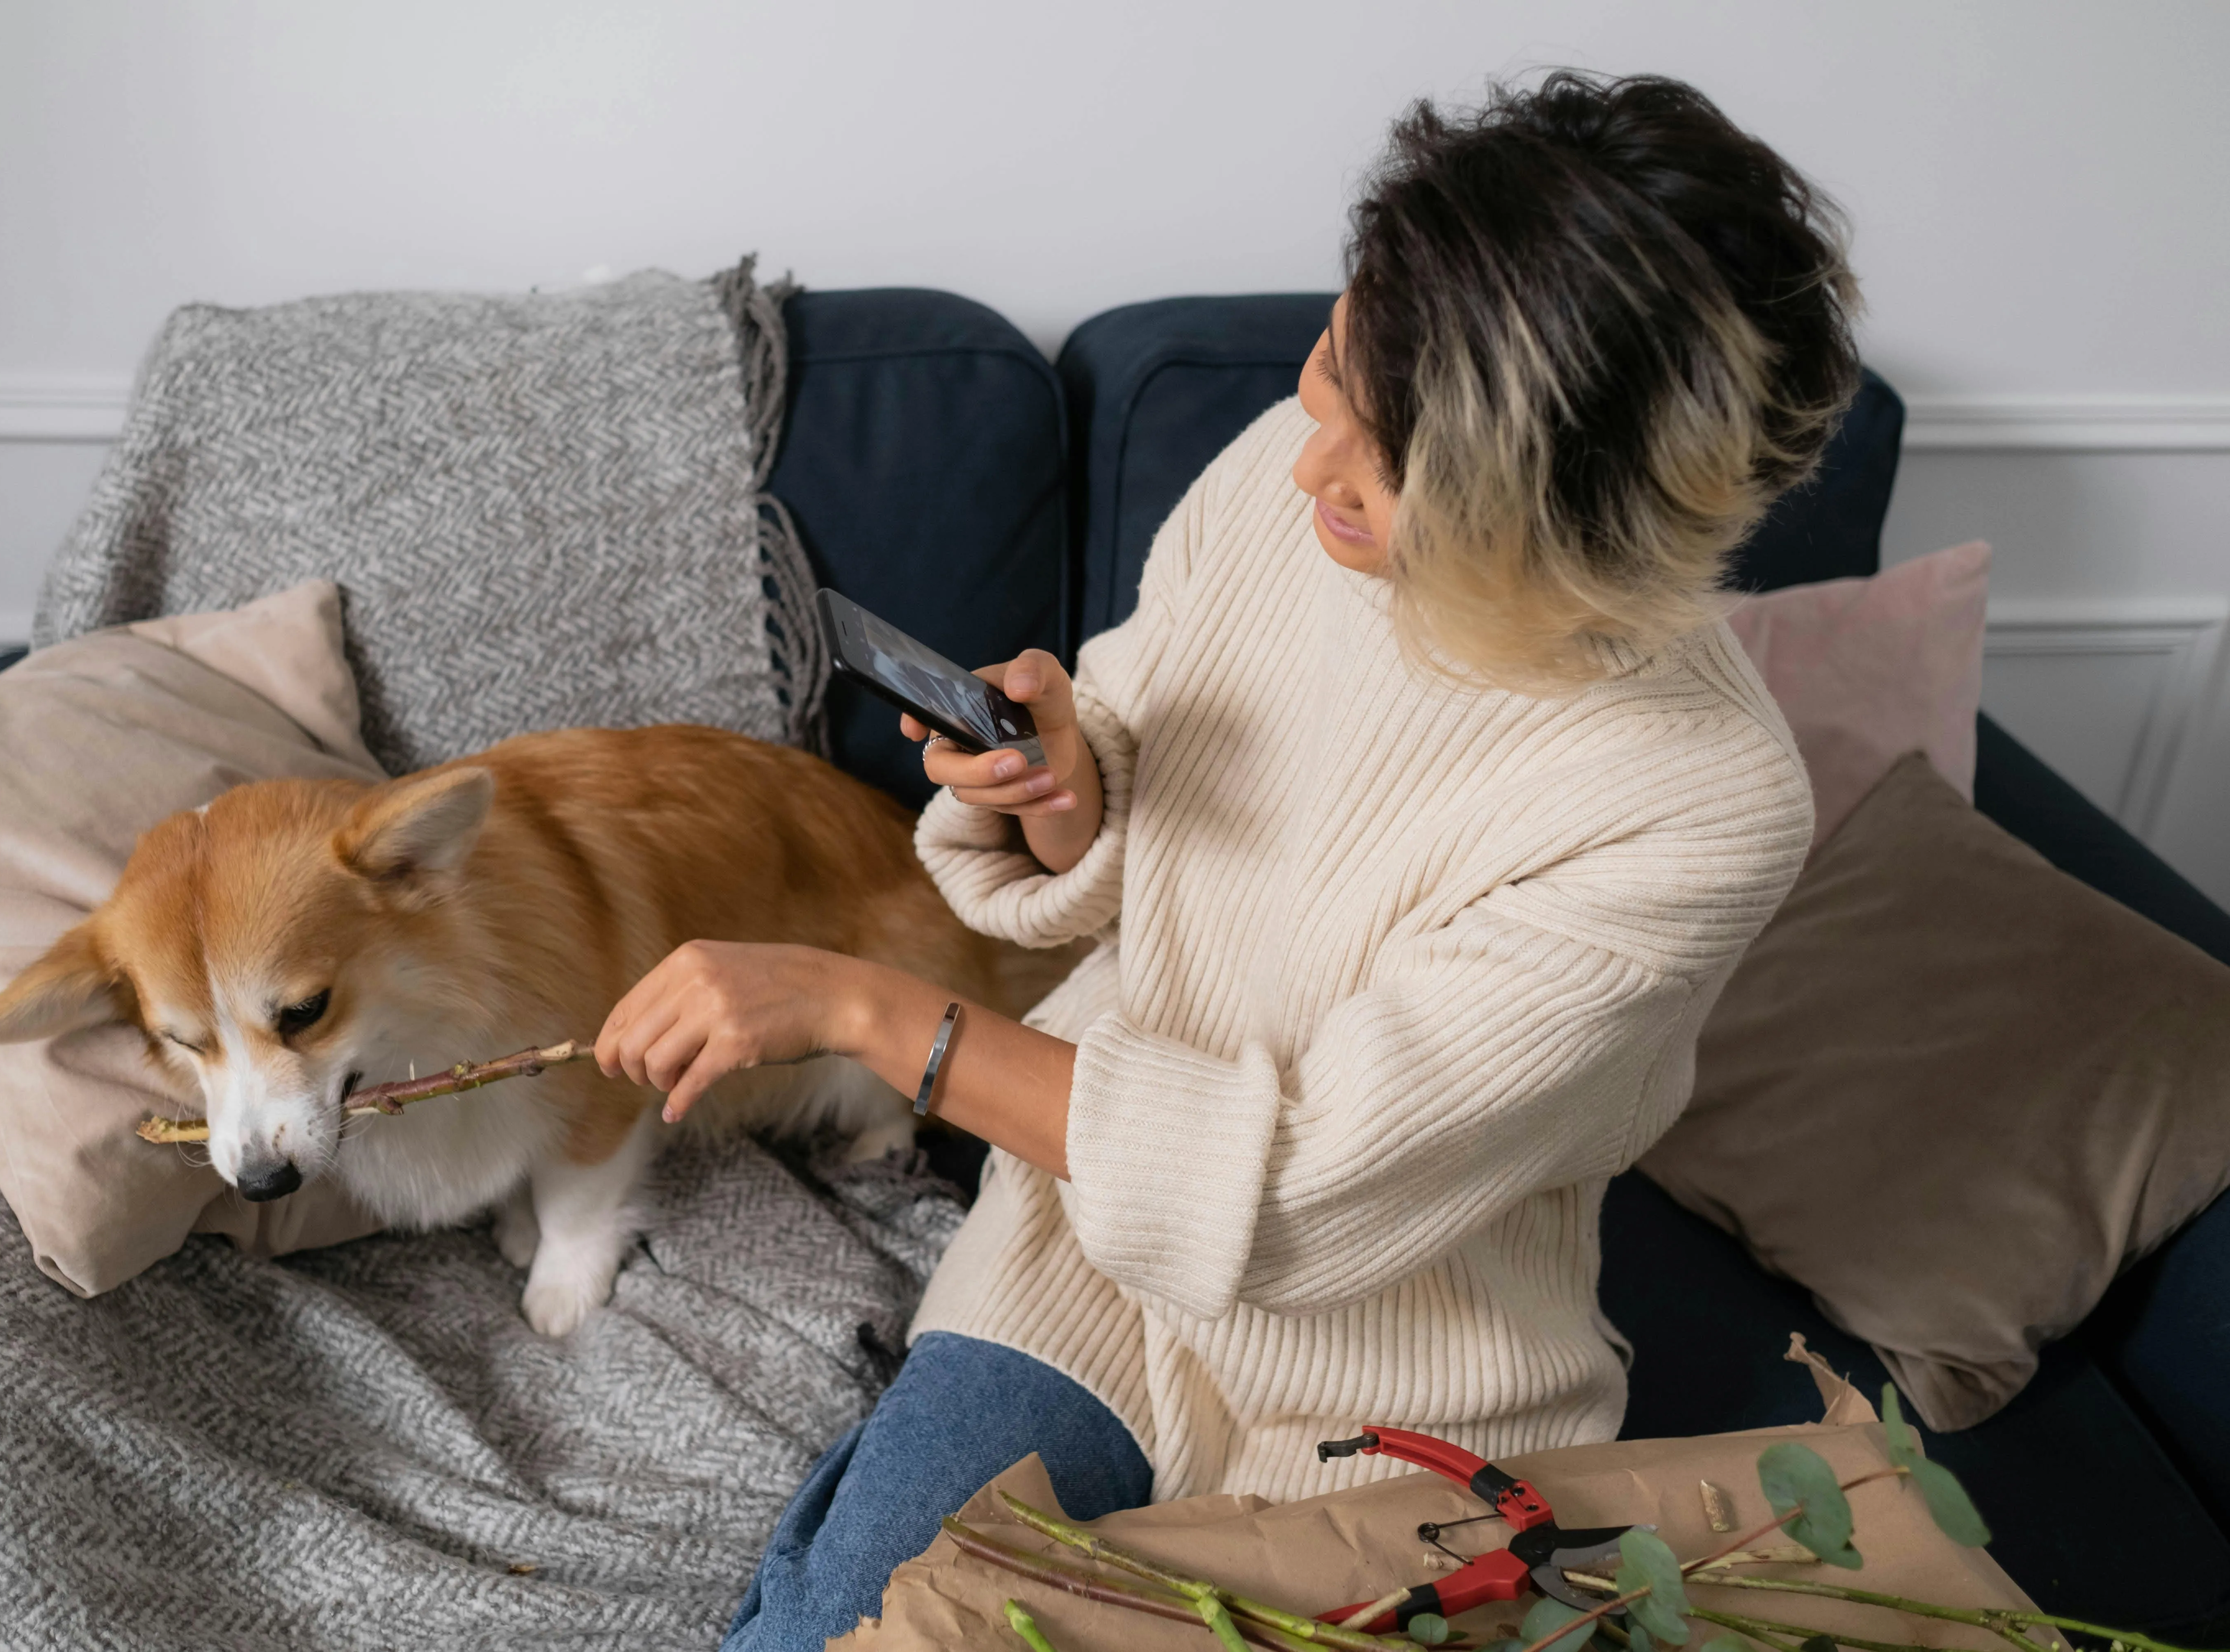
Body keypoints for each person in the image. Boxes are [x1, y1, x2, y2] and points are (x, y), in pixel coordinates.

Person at [591, 70, 1858, 1649]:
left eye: (1387, 459)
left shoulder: (1696, 804)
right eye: (1336, 361)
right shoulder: (1288, 477)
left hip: (1400, 1388)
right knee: (838, 1631)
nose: (1314, 453)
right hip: (1081, 1283)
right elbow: (1146, 739)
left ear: (1563, 525)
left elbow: (1290, 1202)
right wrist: (1065, 780)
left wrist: (867, 1013)